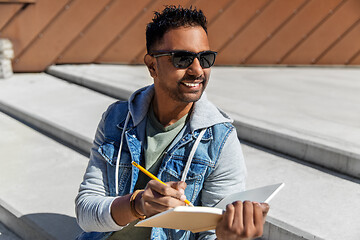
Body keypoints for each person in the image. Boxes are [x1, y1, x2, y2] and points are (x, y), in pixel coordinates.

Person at [75, 5, 269, 240]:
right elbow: (86, 212)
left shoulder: (220, 139)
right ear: (152, 66)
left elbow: (210, 231)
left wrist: (229, 237)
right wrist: (136, 205)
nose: (197, 70)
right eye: (182, 59)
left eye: (205, 58)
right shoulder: (117, 119)